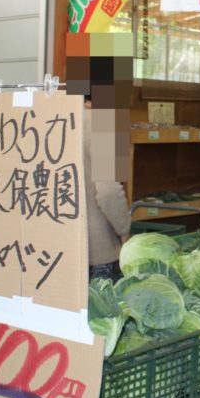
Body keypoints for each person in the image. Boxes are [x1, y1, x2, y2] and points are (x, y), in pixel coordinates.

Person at [82, 97, 131, 281]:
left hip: (57, 250)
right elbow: (108, 192)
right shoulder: (101, 125)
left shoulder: (56, 118)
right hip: (98, 248)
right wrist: (124, 230)